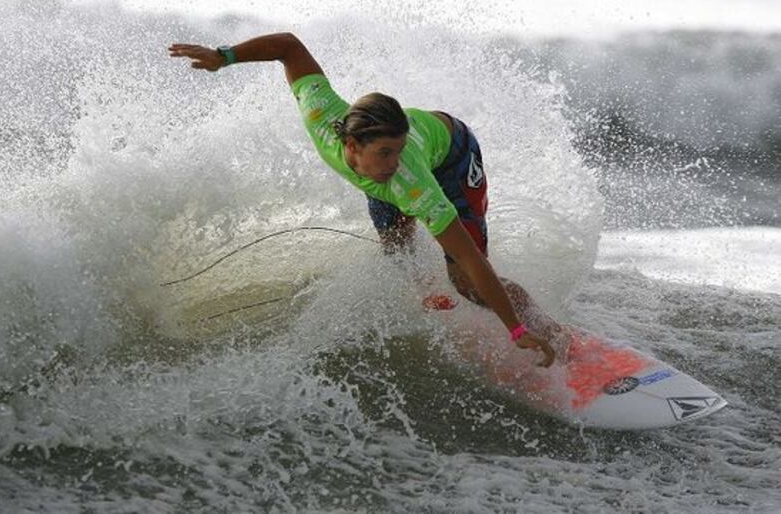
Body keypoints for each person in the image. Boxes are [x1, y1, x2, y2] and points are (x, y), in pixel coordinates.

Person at [169, 32, 557, 367]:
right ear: (351, 144)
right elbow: (288, 46)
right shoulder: (323, 118)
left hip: (454, 155)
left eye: (398, 151)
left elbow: (470, 257)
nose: (394, 160)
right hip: (392, 175)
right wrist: (225, 57)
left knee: (466, 281)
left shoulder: (409, 180)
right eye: (386, 152)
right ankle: (432, 297)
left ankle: (547, 330)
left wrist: (515, 330)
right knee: (396, 250)